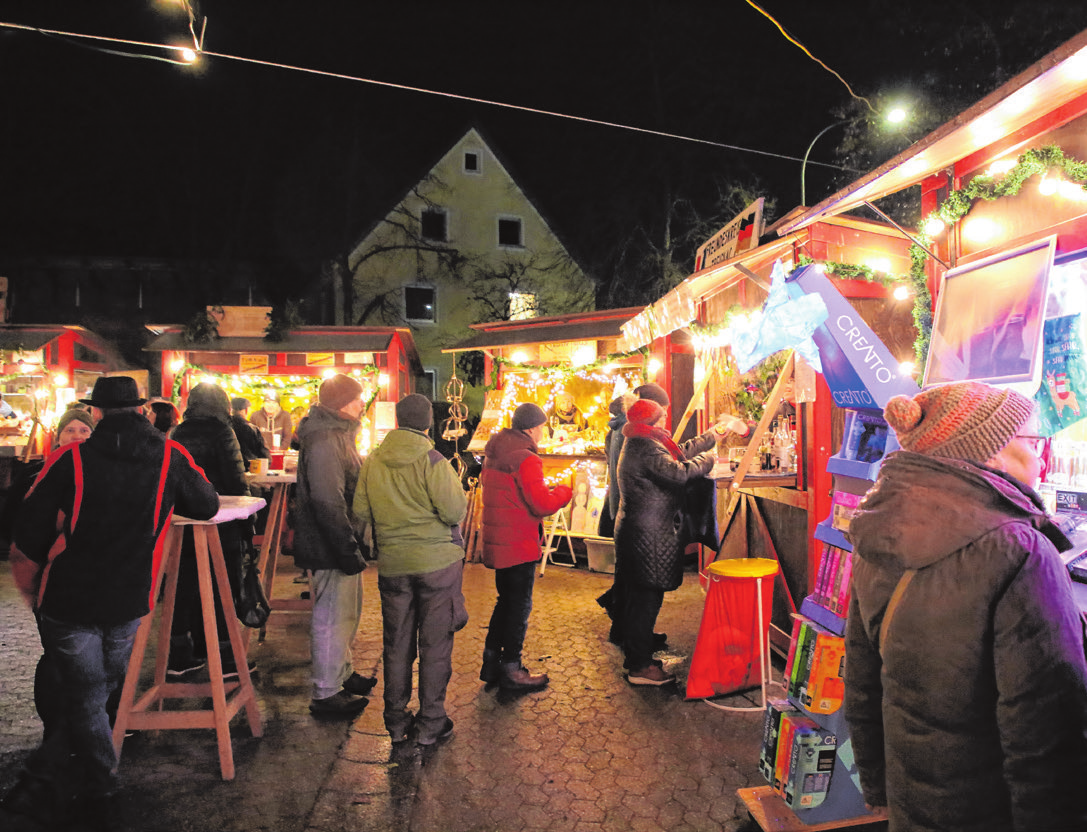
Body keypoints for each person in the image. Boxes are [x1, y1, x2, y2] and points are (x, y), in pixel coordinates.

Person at [845, 381, 1087, 831]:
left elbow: (861, 678)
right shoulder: (1020, 550)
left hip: (913, 797)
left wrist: (877, 787)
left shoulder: (878, 528)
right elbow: (1046, 729)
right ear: (990, 451)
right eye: (1034, 441)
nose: (1041, 456)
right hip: (991, 808)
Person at [2, 376, 218, 831]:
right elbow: (207, 505)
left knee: (86, 695)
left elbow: (30, 528)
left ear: (95, 412)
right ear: (141, 409)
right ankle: (80, 778)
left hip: (69, 597)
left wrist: (38, 574)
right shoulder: (170, 455)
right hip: (129, 597)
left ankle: (93, 784)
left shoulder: (71, 459)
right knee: (94, 694)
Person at [352, 393, 468, 747]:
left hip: (393, 566)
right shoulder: (434, 460)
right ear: (429, 423)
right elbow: (453, 512)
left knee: (397, 643)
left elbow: (360, 512)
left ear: (399, 420)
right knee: (435, 644)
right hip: (437, 566)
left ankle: (397, 721)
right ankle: (432, 722)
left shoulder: (373, 460)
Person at [612, 397, 719, 685]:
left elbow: (678, 453)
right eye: (660, 418)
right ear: (651, 422)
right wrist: (710, 459)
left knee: (642, 599)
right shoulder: (645, 447)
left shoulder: (643, 442)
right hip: (648, 534)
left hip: (642, 532)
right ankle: (640, 667)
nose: (665, 423)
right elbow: (679, 472)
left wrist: (712, 437)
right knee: (645, 601)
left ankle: (640, 657)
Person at [292, 373, 376, 716]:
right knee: (331, 615)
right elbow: (328, 499)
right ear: (342, 402)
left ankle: (341, 673)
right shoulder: (326, 439)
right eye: (357, 399)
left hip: (340, 539)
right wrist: (345, 547)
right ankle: (326, 692)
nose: (362, 404)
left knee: (346, 612)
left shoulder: (337, 434)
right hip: (330, 542)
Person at [479, 402, 572, 691]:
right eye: (543, 427)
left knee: (504, 602)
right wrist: (563, 492)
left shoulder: (495, 450)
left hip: (500, 541)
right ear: (532, 428)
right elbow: (541, 503)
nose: (544, 432)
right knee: (518, 606)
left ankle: (491, 664)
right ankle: (512, 669)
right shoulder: (527, 459)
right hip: (517, 542)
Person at [168, 383, 253, 679]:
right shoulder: (221, 431)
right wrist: (248, 521)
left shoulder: (178, 431)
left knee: (184, 586)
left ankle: (180, 655)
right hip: (220, 521)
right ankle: (226, 658)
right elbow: (235, 477)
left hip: (183, 523)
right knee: (222, 587)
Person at [230, 396, 270, 468]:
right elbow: (264, 455)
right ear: (246, 410)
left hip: (228, 470)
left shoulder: (223, 428)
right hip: (250, 469)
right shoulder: (251, 429)